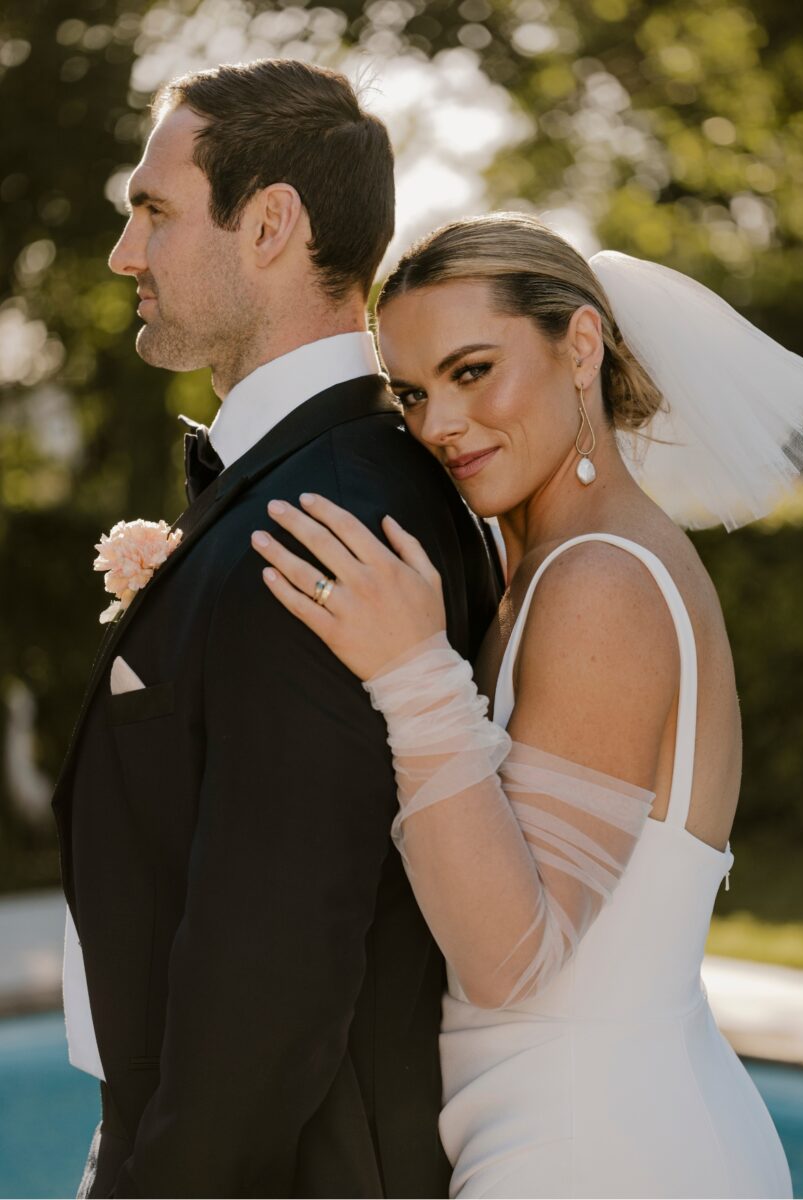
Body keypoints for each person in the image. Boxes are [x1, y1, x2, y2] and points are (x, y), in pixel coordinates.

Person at [253, 212, 803, 1198]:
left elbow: (511, 960)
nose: (438, 424)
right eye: (413, 392)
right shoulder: (553, 567)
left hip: (601, 1153)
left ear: (581, 345)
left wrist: (411, 673)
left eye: (473, 371)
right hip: (578, 1128)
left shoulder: (601, 581)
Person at [52, 61, 499, 1198]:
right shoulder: (326, 479)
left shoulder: (322, 520)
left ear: (268, 225)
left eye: (154, 211)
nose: (125, 253)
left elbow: (274, 964)